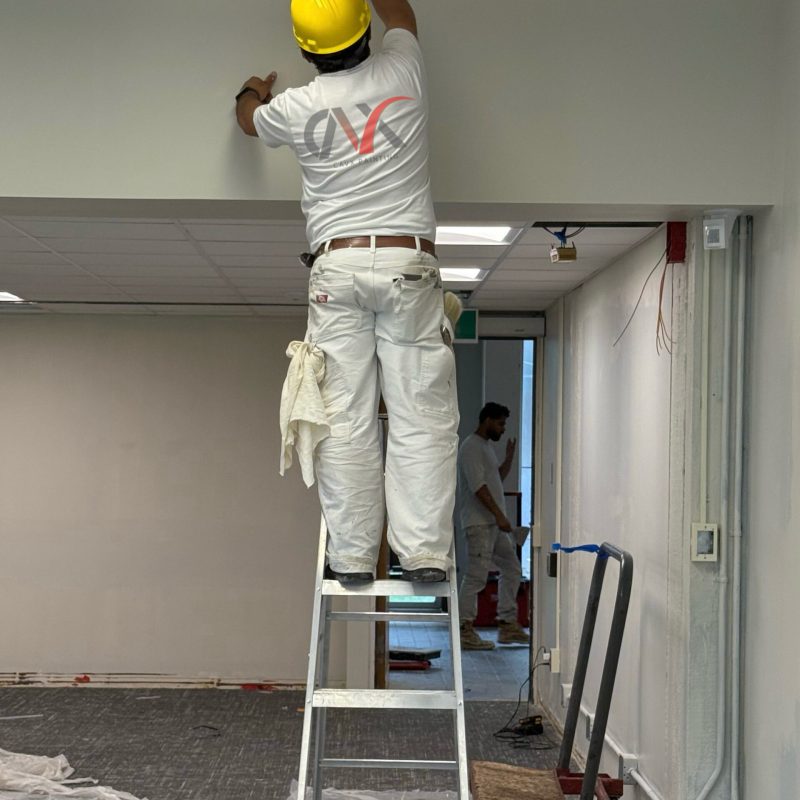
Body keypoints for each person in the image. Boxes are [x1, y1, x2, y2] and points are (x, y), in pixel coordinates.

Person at [235, 0, 458, 586]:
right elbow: (403, 15)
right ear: (364, 32)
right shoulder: (401, 68)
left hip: (336, 267)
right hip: (409, 265)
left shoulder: (296, 106)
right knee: (421, 414)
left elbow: (247, 119)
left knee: (344, 417)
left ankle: (356, 557)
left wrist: (252, 88)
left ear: (306, 50)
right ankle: (425, 553)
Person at [457, 402, 530, 650]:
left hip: (492, 525)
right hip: (479, 525)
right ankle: (464, 630)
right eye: (500, 423)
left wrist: (509, 459)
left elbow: (494, 478)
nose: (502, 429)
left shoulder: (485, 447)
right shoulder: (470, 448)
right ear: (487, 420)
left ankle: (507, 624)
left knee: (512, 568)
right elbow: (479, 487)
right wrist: (500, 516)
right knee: (476, 576)